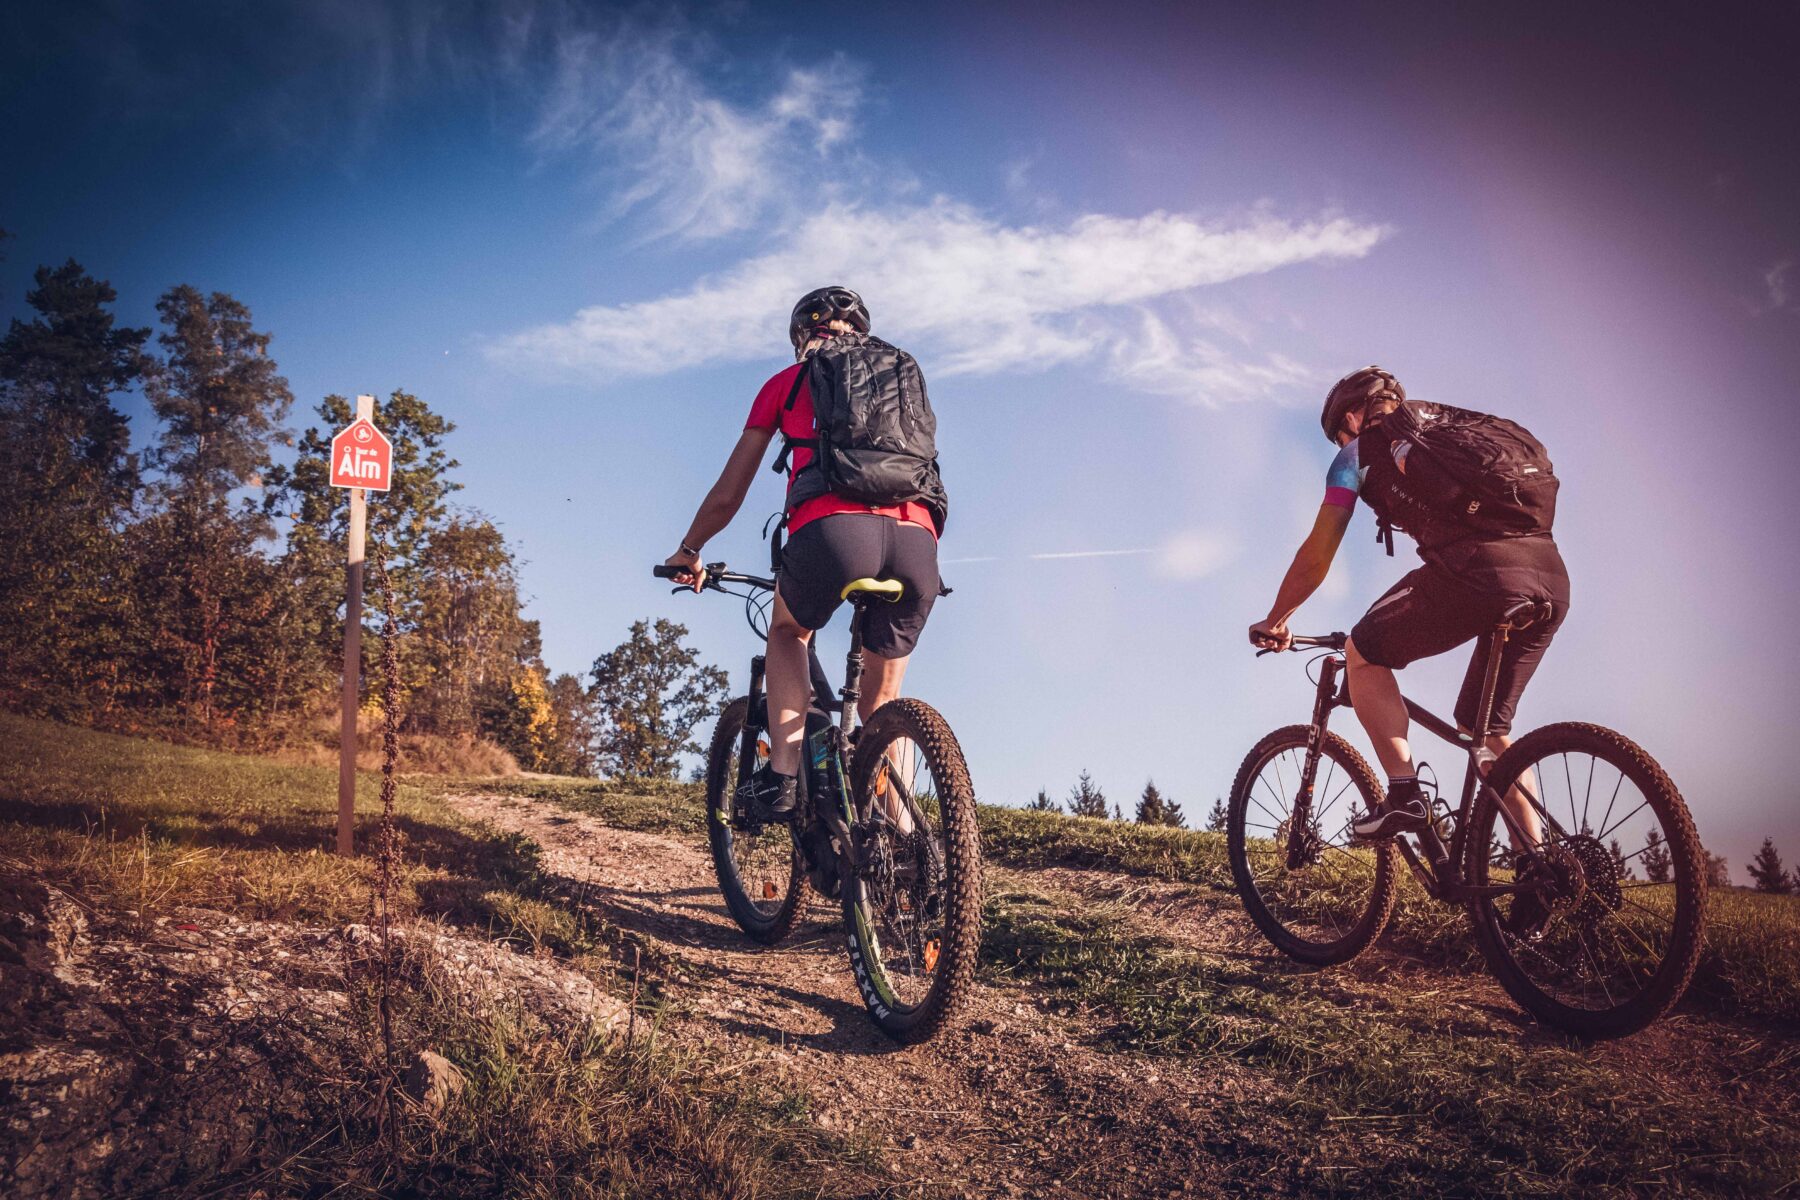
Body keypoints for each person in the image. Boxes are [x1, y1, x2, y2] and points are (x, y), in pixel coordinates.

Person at [1248, 366, 1570, 847]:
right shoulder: (1450, 426)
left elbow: (1318, 553)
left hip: (1476, 572)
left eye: (1339, 435)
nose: (1342, 444)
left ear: (1353, 418)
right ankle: (1538, 869)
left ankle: (1404, 794)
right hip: (1549, 577)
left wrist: (1277, 619)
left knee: (1363, 652)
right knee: (1485, 731)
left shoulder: (1356, 455)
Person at [663, 287, 944, 817]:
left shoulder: (786, 385)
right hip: (917, 541)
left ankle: (783, 778)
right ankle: (904, 839)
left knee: (789, 632)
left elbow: (729, 494)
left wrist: (689, 550)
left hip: (831, 536)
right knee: (880, 707)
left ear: (802, 338)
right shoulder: (900, 384)